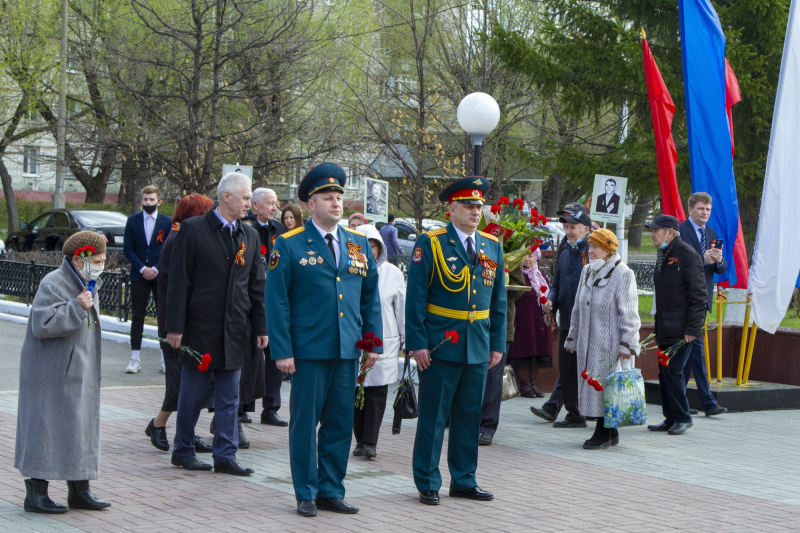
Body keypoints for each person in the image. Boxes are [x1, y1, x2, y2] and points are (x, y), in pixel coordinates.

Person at [266, 163, 383, 517]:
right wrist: (282, 350)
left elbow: (369, 298)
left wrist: (372, 343)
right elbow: (277, 301)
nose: (336, 203)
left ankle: (331, 489)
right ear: (310, 204)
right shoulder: (288, 244)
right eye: (328, 198)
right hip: (308, 350)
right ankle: (306, 491)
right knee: (305, 423)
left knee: (338, 423)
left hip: (347, 348)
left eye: (339, 197)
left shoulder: (358, 243)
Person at [406, 176, 507, 506]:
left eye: (479, 206)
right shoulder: (431, 243)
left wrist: (497, 343)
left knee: (468, 417)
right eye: (468, 206)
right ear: (452, 209)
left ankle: (464, 479)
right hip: (440, 345)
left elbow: (498, 302)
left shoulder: (491, 246)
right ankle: (428, 480)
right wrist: (417, 342)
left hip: (477, 345)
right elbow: (416, 297)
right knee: (434, 417)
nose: (476, 212)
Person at [166, 172, 268, 475]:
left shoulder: (248, 235)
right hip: (199, 328)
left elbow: (256, 287)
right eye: (246, 197)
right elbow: (178, 282)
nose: (249, 203)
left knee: (229, 397)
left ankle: (225, 454)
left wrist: (260, 327)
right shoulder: (193, 229)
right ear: (227, 196)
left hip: (235, 329)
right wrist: (175, 327)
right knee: (193, 394)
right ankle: (182, 449)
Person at [15, 231, 111, 513]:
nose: (103, 264)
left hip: (77, 367)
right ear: (78, 259)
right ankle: (36, 494)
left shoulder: (87, 281)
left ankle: (80, 490)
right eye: (98, 259)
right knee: (45, 427)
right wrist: (76, 306)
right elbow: (42, 324)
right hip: (50, 372)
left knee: (80, 426)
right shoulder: (54, 282)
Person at [145, 194, 215, 454]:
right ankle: (161, 426)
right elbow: (178, 287)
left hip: (179, 323)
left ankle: (165, 427)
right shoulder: (178, 240)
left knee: (186, 383)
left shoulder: (181, 236)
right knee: (182, 384)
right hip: (174, 324)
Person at [563, 229, 641, 449]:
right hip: (588, 341)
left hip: (610, 343)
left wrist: (628, 344)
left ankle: (603, 431)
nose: (592, 251)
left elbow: (630, 312)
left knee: (604, 387)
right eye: (590, 246)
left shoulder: (623, 273)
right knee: (592, 385)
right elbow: (577, 307)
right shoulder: (587, 270)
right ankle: (611, 432)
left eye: (596, 247)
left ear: (609, 250)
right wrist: (572, 338)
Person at [645, 214, 707, 436]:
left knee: (674, 372)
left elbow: (700, 297)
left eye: (656, 230)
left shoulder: (687, 254)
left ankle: (683, 417)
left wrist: (692, 329)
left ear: (670, 232)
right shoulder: (664, 253)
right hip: (665, 326)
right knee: (664, 372)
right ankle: (670, 417)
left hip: (682, 330)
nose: (651, 234)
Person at [530, 208, 592, 428]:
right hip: (568, 320)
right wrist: (550, 303)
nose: (568, 231)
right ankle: (573, 414)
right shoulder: (566, 252)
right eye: (566, 227)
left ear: (586, 229)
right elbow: (556, 285)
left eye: (572, 227)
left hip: (588, 322)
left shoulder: (593, 253)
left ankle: (578, 413)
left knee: (581, 369)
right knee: (567, 368)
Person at [352, 224, 405, 459]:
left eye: (372, 245)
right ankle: (359, 439)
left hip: (385, 341)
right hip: (355, 341)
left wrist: (407, 338)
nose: (368, 250)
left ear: (379, 247)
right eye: (363, 245)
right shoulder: (350, 271)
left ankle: (370, 440)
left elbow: (401, 308)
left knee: (377, 393)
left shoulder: (392, 273)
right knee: (355, 391)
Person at [679, 192, 728, 417]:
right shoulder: (679, 231)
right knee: (695, 351)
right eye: (700, 209)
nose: (705, 213)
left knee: (690, 354)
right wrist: (702, 259)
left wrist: (718, 260)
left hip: (702, 299)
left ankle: (685, 401)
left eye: (707, 209)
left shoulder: (711, 233)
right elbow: (678, 264)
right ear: (690, 210)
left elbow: (720, 268)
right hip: (684, 299)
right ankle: (707, 402)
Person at [123, 185, 173, 374]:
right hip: (139, 274)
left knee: (163, 317)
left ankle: (164, 360)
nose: (148, 203)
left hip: (160, 276)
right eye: (145, 200)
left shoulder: (167, 222)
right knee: (137, 316)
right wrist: (143, 268)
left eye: (152, 200)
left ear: (159, 201)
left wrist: (156, 268)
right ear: (141, 201)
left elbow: (169, 248)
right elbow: (128, 248)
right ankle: (134, 359)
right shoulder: (132, 221)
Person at [250, 187, 288, 427]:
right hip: (251, 299)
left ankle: (271, 408)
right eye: (270, 203)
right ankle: (243, 407)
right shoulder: (246, 228)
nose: (275, 208)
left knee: (274, 356)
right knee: (249, 356)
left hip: (272, 300)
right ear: (255, 206)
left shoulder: (280, 231)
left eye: (276, 203)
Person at [478, 262, 523, 446]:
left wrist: (495, 290)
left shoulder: (507, 252)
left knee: (492, 377)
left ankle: (487, 426)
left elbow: (519, 287)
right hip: (473, 324)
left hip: (499, 325)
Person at [507, 249, 553, 399]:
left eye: (531, 256)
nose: (527, 259)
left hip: (540, 321)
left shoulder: (540, 275)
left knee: (537, 352)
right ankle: (525, 385)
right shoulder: (517, 275)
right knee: (523, 352)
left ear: (536, 257)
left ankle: (533, 384)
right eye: (524, 256)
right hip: (523, 321)